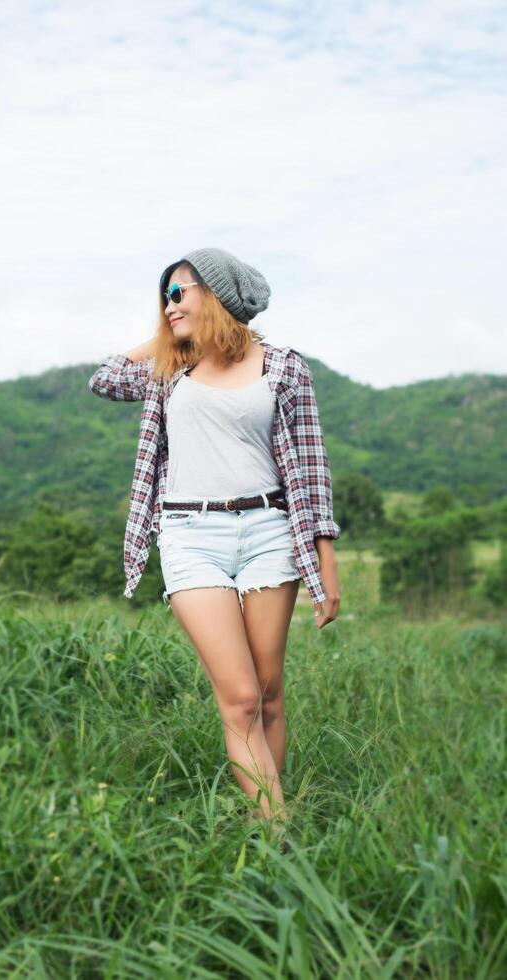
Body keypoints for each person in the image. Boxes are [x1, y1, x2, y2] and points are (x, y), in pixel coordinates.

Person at [88, 247, 341, 845]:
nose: (170, 304)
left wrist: (327, 569)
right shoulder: (169, 369)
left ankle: (269, 822)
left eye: (182, 292)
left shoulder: (283, 367)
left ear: (220, 294)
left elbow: (310, 470)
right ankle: (279, 839)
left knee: (271, 692)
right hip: (189, 535)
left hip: (268, 532)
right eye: (165, 296)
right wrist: (170, 331)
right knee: (241, 695)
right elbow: (102, 378)